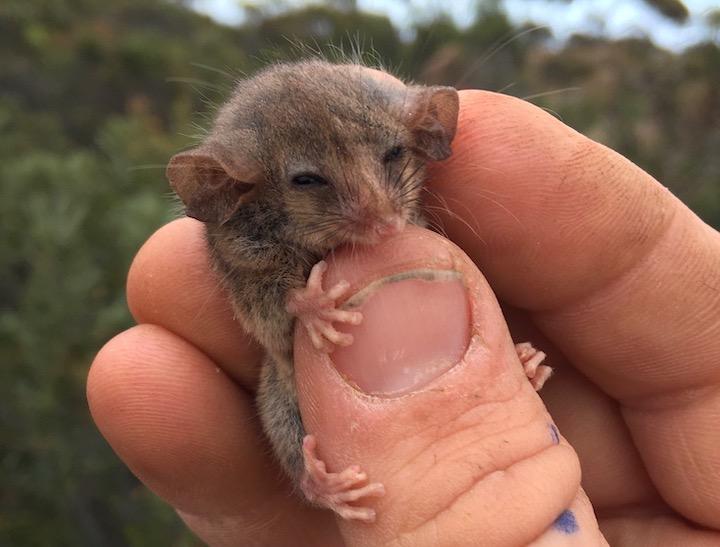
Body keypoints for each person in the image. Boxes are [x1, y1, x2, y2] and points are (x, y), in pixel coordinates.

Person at [88, 90, 720, 546]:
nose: (380, 211)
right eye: (313, 183)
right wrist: (296, 303)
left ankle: (512, 372)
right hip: (300, 384)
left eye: (392, 161)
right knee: (283, 403)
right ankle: (315, 483)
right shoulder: (245, 233)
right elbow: (260, 316)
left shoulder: (420, 215)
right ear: (234, 189)